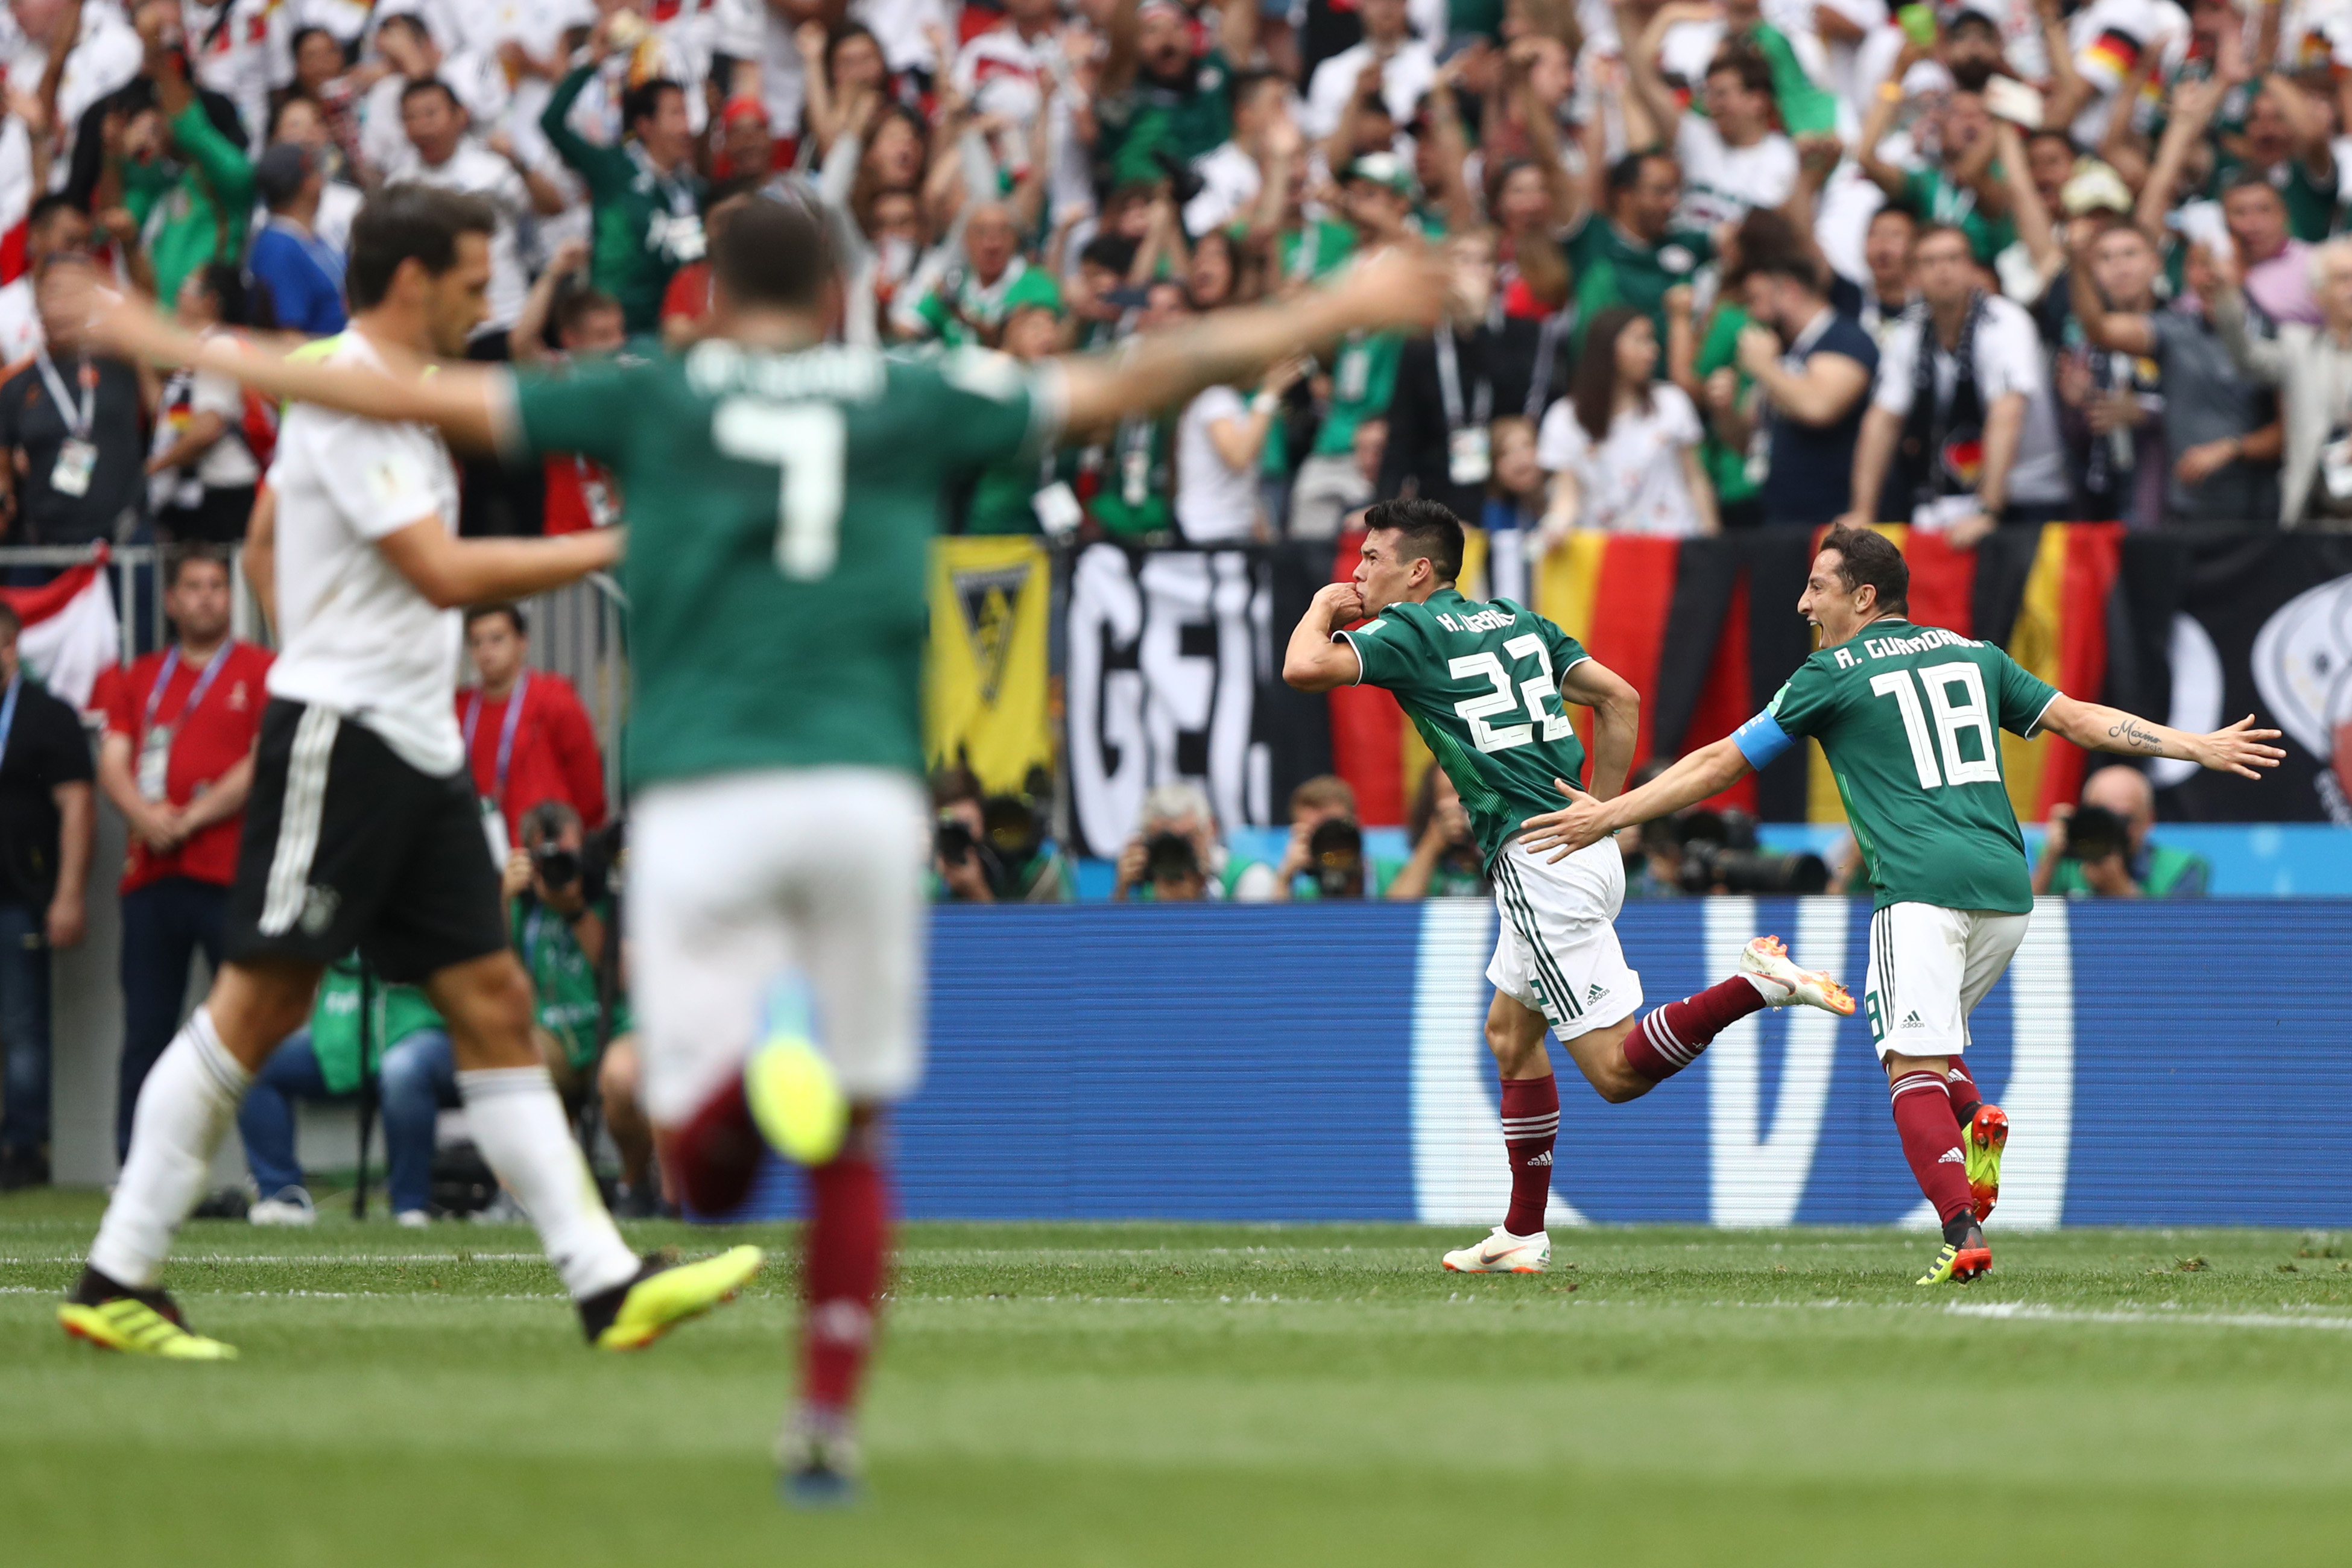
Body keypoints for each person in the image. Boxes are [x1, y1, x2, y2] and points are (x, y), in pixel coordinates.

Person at [112, 194, 1448, 1493]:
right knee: (855, 1138)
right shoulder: (904, 390)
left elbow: (418, 399)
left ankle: (752, 1088)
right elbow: (1136, 376)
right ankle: (822, 1419)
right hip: (864, 793)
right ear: (832, 298)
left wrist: (166, 343)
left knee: (692, 1149)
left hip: (702, 796)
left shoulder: (657, 391)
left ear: (703, 296)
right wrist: (1339, 298)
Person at [61, 186, 762, 1364]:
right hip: (349, 739)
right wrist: (622, 543)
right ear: (410, 283)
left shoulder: (385, 392)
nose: (487, 300)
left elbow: (271, 540)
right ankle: (114, 1275)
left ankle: (605, 1285)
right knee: (254, 1008)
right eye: (471, 277)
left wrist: (317, 637)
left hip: (413, 743)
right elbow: (439, 572)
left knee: (494, 1007)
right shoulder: (358, 406)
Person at [1518, 525, 2284, 1284]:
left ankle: (1962, 1230)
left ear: (1864, 594)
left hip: (1921, 889)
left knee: (1908, 1063)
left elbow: (1722, 760)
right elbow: (2079, 718)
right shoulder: (1973, 654)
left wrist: (1609, 814)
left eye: (1817, 586)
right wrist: (2194, 745)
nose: (1802, 603)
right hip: (2007, 891)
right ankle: (1975, 1118)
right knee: (1936, 1049)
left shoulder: (1830, 674)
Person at [1282, 498, 1854, 1277]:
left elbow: (1303, 667)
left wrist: (1320, 606)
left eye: (1371, 558)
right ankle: (1523, 1230)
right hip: (1581, 840)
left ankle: (1757, 984)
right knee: (1510, 1038)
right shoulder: (1518, 621)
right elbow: (1622, 700)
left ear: (1420, 571)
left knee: (1615, 1072)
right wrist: (1608, 816)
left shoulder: (1411, 630)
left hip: (1535, 857)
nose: (1356, 572)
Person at [91, 549, 270, 1163]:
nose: (205, 597)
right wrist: (144, 815)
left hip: (229, 876)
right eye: (192, 586)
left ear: (232, 595)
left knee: (248, 1025)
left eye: (217, 585)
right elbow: (112, 759)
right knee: (147, 1031)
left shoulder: (261, 669)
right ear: (169, 600)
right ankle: (133, 1168)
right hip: (151, 877)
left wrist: (189, 816)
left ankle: (273, 1180)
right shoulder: (135, 675)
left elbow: (261, 762)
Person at [1838, 223, 2070, 544]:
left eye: (1953, 259)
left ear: (1972, 268)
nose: (1943, 270)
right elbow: (1882, 420)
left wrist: (1989, 511)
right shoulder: (1910, 331)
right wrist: (1863, 510)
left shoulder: (2004, 322)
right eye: (1930, 262)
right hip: (1950, 498)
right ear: (1913, 275)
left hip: (2027, 494)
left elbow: (2007, 415)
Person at [2068, 227, 2280, 527]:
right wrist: (2077, 265)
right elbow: (2099, 330)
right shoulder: (2176, 329)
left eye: (2216, 262)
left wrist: (2230, 449)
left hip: (2258, 509)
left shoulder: (2275, 333)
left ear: (2243, 268)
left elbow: (2289, 430)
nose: (2209, 276)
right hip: (2186, 508)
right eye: (2196, 264)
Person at [504, 800, 654, 1216]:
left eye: (565, 855)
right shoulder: (523, 904)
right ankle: (526, 1195)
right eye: (544, 858)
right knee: (508, 1069)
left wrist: (575, 910)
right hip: (556, 1034)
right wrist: (503, 901)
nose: (557, 866)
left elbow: (623, 981)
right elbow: (495, 981)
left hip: (620, 1027)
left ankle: (634, 1185)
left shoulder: (612, 887)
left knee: (621, 1078)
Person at [235, 958, 454, 1226]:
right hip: (345, 1023)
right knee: (257, 1061)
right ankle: (281, 1197)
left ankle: (410, 1206)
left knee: (402, 1071)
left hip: (423, 1024)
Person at [0, 599, 95, 1190]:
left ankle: (24, 1147)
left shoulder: (47, 716)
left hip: (17, 895)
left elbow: (78, 807)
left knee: (21, 1026)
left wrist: (67, 894)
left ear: (11, 647)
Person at [542, 22, 704, 336]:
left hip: (671, 333)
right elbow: (552, 123)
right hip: (612, 333)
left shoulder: (691, 188)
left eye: (687, 114)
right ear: (644, 125)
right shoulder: (611, 168)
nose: (687, 127)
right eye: (676, 114)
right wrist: (593, 61)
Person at [0, 255, 148, 552]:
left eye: (76, 294)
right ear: (37, 301)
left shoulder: (123, 360)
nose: (65, 307)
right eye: (55, 294)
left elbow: (150, 310)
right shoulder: (15, 383)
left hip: (124, 545)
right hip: (45, 551)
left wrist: (130, 248)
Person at [1536, 305, 1717, 538]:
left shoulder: (1671, 402)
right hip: (1609, 553)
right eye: (1640, 341)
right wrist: (1555, 527)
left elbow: (1695, 478)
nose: (1652, 351)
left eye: (1652, 340)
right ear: (1607, 348)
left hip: (1673, 545)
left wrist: (1712, 539)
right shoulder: (1565, 418)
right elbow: (1567, 494)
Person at [2209, 236, 2352, 528]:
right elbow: (2247, 359)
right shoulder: (2297, 345)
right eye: (2344, 279)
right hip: (2313, 509)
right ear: (2318, 293)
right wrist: (2225, 297)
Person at [1737, 251, 1879, 528]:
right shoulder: (1786, 350)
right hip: (1782, 517)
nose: (1754, 314)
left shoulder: (1845, 339)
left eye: (1759, 300)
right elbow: (1748, 437)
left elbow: (1819, 408)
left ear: (1790, 291)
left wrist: (1765, 368)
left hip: (1832, 520)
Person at [456, 604, 608, 848]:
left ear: (522, 642)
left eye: (497, 639)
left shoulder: (555, 699)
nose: (486, 651)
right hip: (478, 854)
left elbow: (588, 786)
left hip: (545, 855)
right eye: (477, 642)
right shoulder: (458, 709)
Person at [143, 263, 269, 544]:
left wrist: (153, 467)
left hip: (227, 493)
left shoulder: (219, 348)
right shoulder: (200, 353)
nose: (178, 294)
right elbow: (179, 424)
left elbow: (206, 430)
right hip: (203, 493)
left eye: (187, 287)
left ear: (210, 301)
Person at [2035, 764, 2213, 898]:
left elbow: (2177, 938)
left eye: (2124, 820)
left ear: (2149, 820)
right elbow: (2023, 928)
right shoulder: (2060, 858)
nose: (2113, 829)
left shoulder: (2183, 869)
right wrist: (2049, 861)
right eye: (2104, 817)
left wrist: (2120, 889)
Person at [245, 142, 348, 336]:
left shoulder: (314, 239)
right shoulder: (277, 248)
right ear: (308, 183)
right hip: (319, 363)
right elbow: (286, 338)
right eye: (316, 172)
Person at [1387, 765, 1485, 899]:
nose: (1462, 804)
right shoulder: (1417, 863)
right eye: (1452, 792)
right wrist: (1432, 844)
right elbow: (1396, 913)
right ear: (1432, 803)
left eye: (1471, 792)